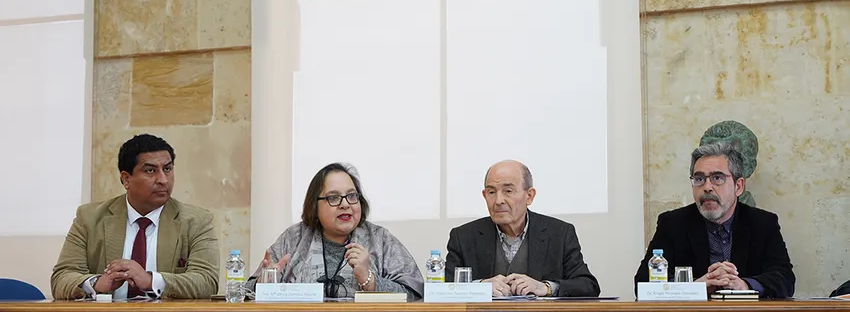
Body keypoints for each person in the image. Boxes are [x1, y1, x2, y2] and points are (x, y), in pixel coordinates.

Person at [51, 134, 219, 300]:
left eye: (167, 169)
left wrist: (151, 281)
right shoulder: (89, 218)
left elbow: (207, 281)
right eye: (150, 171)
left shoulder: (196, 221)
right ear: (126, 179)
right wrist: (96, 284)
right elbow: (61, 278)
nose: (163, 180)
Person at [634, 142, 795, 298]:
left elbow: (785, 279)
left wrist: (744, 285)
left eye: (717, 178)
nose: (707, 187)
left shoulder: (762, 223)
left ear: (738, 186)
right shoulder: (673, 224)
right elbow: (643, 283)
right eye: (699, 179)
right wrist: (695, 287)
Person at [248, 163, 423, 299]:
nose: (345, 204)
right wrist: (265, 283)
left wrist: (369, 279)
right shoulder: (293, 239)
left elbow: (415, 294)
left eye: (352, 196)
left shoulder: (380, 239)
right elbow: (247, 293)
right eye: (333, 197)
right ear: (315, 206)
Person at [445, 160, 600, 297]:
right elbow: (443, 288)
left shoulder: (559, 233)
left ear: (529, 196)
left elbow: (588, 285)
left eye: (508, 191)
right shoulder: (463, 237)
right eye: (491, 192)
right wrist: (480, 287)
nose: (498, 200)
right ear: (484, 195)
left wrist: (545, 288)